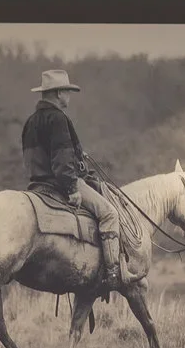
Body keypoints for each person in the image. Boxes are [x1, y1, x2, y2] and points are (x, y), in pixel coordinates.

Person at [20, 70, 124, 290]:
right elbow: (62, 157)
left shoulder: (30, 121)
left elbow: (31, 158)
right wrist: (72, 188)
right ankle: (113, 274)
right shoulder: (57, 119)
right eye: (67, 91)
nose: (69, 96)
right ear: (58, 93)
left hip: (36, 185)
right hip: (60, 182)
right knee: (110, 214)